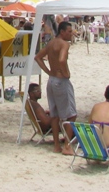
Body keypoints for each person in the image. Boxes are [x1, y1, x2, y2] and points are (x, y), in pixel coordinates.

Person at [34, 20, 76, 154]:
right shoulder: (64, 44)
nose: (71, 34)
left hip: (51, 80)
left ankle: (57, 145)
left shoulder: (51, 43)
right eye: (69, 31)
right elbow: (62, 60)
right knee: (71, 115)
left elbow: (38, 57)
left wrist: (48, 72)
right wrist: (66, 73)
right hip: (60, 80)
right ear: (62, 32)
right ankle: (67, 146)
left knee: (55, 114)